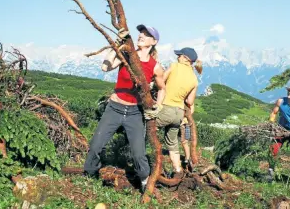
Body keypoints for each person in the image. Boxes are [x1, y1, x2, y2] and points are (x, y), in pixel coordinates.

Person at [84, 25, 165, 192]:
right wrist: (117, 45)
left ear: (154, 41)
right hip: (114, 108)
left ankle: (144, 181)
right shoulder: (127, 55)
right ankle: (90, 177)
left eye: (146, 34)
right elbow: (105, 67)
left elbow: (162, 88)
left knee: (138, 154)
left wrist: (159, 105)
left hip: (135, 112)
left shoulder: (155, 66)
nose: (141, 36)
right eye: (141, 33)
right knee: (95, 146)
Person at [145, 47, 202, 178]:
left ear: (186, 59)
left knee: (145, 126)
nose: (178, 57)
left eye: (180, 55)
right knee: (172, 144)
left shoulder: (174, 66)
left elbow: (160, 81)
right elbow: (190, 100)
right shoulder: (194, 79)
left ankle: (145, 164)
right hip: (178, 114)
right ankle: (177, 171)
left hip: (165, 108)